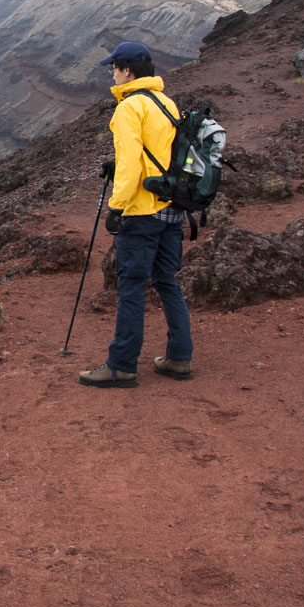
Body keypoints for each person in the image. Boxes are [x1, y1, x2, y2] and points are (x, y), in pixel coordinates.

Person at [78, 40, 194, 387]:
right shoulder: (165, 102)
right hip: (171, 209)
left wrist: (117, 206)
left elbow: (131, 164)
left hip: (142, 212)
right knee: (167, 283)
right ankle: (179, 359)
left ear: (126, 70)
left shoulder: (129, 108)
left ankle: (122, 365)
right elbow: (156, 153)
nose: (111, 74)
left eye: (113, 68)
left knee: (130, 287)